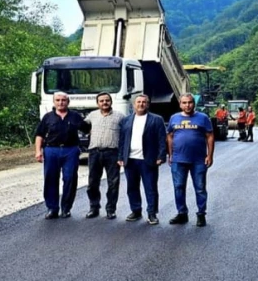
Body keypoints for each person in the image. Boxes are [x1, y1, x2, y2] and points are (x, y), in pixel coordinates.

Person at [34, 92, 86, 219]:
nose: (61, 102)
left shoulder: (75, 116)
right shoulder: (47, 117)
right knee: (51, 179)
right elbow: (39, 135)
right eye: (58, 100)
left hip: (70, 150)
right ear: (54, 102)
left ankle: (66, 208)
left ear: (68, 102)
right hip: (51, 150)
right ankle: (52, 208)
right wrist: (38, 151)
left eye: (63, 100)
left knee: (70, 178)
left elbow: (88, 129)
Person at [117, 95, 167, 225]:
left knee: (150, 188)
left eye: (144, 102)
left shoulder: (156, 119)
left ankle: (152, 213)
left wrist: (161, 156)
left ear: (148, 104)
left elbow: (162, 139)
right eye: (138, 102)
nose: (141, 104)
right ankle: (136, 211)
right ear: (134, 104)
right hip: (130, 160)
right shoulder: (126, 120)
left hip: (148, 159)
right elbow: (122, 140)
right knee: (132, 187)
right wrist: (120, 157)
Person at [167, 93, 215, 227]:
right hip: (178, 160)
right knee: (178, 187)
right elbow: (170, 136)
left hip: (198, 160)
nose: (187, 105)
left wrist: (209, 155)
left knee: (200, 188)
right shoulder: (174, 118)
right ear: (180, 104)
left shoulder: (203, 118)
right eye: (184, 103)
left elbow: (210, 136)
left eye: (190, 102)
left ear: (194, 103)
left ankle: (201, 214)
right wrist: (170, 154)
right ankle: (182, 213)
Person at [84, 92, 125, 220]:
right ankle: (94, 207)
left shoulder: (120, 117)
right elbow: (83, 127)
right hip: (94, 153)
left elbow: (124, 136)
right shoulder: (92, 115)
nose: (104, 103)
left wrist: (122, 155)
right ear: (97, 103)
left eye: (107, 100)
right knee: (92, 182)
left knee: (113, 182)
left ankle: (111, 209)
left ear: (111, 101)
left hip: (112, 153)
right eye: (101, 101)